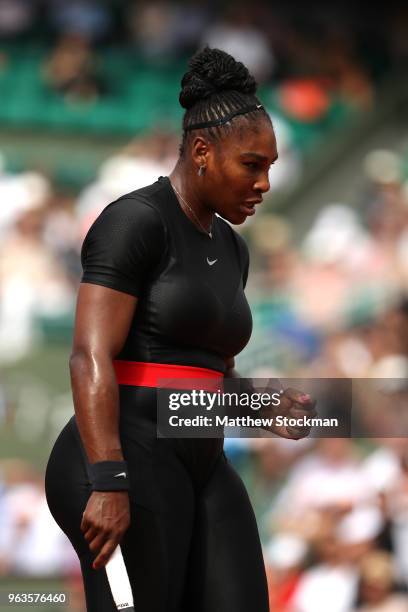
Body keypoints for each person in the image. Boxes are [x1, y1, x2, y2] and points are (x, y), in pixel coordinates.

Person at [45, 46, 316, 612]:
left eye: (270, 166)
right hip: (124, 453)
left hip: (202, 455)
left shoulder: (234, 249)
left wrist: (262, 408)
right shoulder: (136, 221)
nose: (265, 182)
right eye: (252, 164)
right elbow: (88, 356)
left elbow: (212, 375)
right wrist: (108, 478)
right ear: (200, 151)